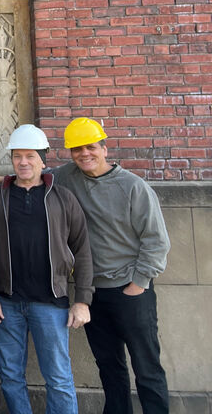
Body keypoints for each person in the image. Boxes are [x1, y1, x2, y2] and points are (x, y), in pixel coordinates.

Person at [0, 124, 93, 414]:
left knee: (59, 377)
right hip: (6, 302)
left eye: (30, 156)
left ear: (43, 159)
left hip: (51, 303)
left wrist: (82, 300)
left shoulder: (63, 198)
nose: (23, 162)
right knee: (11, 376)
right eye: (17, 156)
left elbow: (83, 250)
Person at [60, 118, 171, 414]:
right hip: (93, 293)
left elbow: (156, 241)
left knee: (147, 368)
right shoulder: (66, 177)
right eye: (77, 149)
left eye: (91, 147)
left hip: (130, 291)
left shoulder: (133, 186)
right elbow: (33, 173)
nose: (85, 154)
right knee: (110, 369)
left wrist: (139, 284)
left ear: (105, 149)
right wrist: (2, 180)